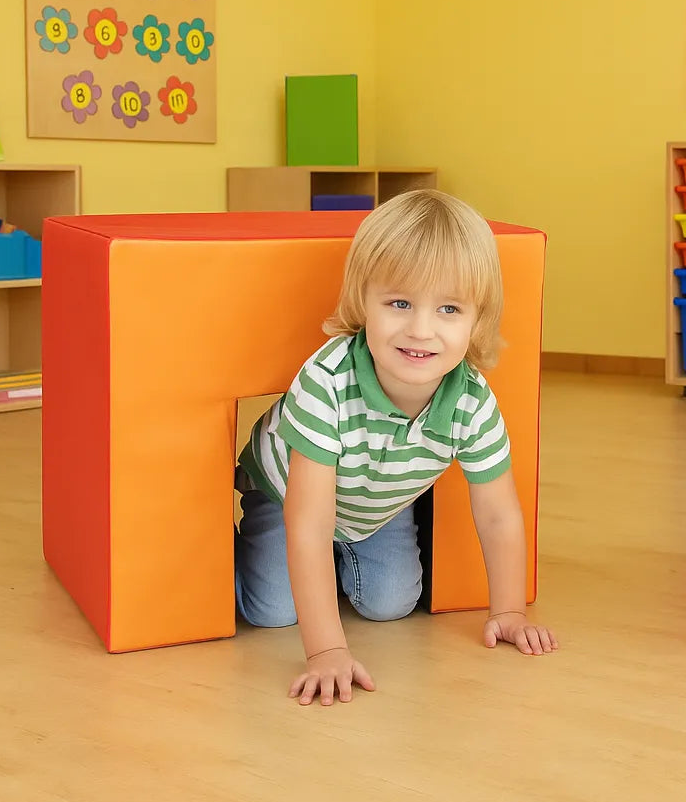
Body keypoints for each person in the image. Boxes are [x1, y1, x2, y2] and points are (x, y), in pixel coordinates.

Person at [234, 189, 558, 706]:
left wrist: (509, 611)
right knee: (271, 609)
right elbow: (309, 522)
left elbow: (499, 514)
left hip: (375, 505)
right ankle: (256, 560)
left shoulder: (470, 399)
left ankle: (328, 570)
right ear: (365, 300)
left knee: (391, 604)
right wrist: (325, 652)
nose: (420, 330)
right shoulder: (328, 381)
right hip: (285, 493)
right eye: (399, 303)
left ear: (477, 319)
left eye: (449, 308)